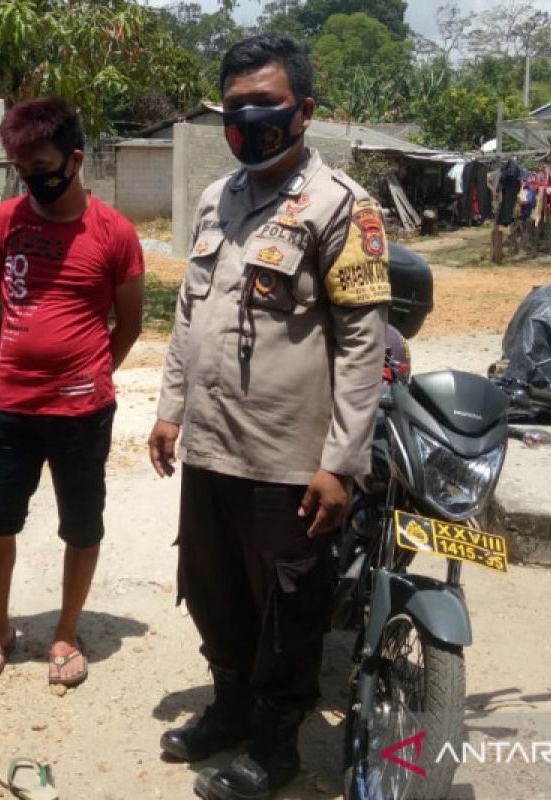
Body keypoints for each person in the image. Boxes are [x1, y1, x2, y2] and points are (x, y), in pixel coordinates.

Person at [148, 35, 389, 800]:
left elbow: (361, 344)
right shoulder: (219, 199)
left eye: (267, 105)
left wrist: (342, 462)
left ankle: (277, 744)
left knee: (289, 602)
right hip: (213, 446)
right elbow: (191, 313)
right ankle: (227, 708)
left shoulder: (343, 207)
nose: (249, 120)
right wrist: (168, 409)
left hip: (290, 457)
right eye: (236, 107)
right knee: (213, 586)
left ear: (305, 112)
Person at [0, 96, 145, 687]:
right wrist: (16, 359)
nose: (31, 179)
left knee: (81, 524)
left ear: (74, 160)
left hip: (83, 411)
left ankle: (66, 631)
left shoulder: (115, 233)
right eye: (21, 169)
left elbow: (132, 322)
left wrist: (93, 369)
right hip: (13, 407)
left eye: (41, 166)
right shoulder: (4, 222)